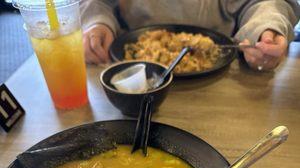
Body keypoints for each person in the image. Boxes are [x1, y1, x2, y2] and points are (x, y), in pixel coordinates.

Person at [80, 0, 300, 71]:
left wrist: (264, 30)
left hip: (222, 81)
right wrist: (97, 23)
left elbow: (265, 3)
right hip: (131, 76)